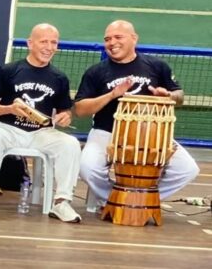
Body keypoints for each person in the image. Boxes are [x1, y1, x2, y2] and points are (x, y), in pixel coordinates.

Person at [75, 20, 199, 206]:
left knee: (187, 169)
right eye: (107, 39)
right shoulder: (96, 72)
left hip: (151, 135)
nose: (111, 42)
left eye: (118, 37)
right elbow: (80, 109)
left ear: (134, 38)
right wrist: (112, 95)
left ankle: (142, 201)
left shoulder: (157, 66)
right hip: (107, 132)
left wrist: (168, 95)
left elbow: (179, 96)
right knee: (87, 167)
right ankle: (113, 200)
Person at [0, 23, 81, 223]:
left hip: (41, 132)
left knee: (70, 144)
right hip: (7, 128)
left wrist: (65, 117)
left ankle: (62, 202)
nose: (49, 47)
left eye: (54, 42)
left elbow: (64, 111)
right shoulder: (9, 70)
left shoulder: (59, 78)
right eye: (44, 41)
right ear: (30, 43)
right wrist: (8, 109)